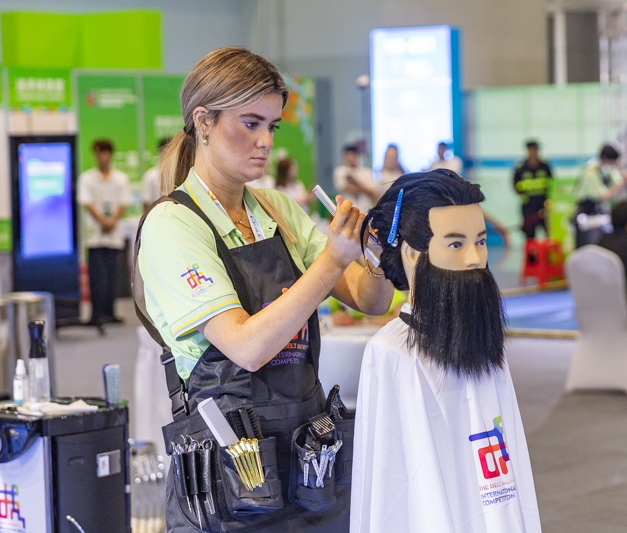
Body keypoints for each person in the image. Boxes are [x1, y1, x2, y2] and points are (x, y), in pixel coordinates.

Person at [134, 47, 393, 532]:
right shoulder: (173, 224)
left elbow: (371, 299)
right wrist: (333, 258)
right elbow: (247, 347)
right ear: (204, 121)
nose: (265, 141)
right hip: (231, 479)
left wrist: (372, 254)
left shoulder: (276, 209)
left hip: (309, 463)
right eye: (250, 123)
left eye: (272, 126)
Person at [351, 170, 542, 533]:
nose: (475, 258)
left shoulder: (485, 344)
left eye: (481, 242)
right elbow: (395, 490)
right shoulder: (392, 355)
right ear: (411, 255)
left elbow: (508, 464)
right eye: (456, 244)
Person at [78, 138, 133, 325]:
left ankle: (111, 312)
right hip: (96, 233)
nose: (100, 156)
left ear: (110, 154)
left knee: (112, 274)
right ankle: (96, 314)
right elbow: (86, 203)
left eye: (104, 152)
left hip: (114, 231)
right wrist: (102, 220)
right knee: (96, 275)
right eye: (97, 152)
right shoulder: (87, 178)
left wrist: (112, 221)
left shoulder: (121, 178)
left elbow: (124, 203)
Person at [574, 144, 627, 248]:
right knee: (591, 247)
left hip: (599, 214)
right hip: (588, 216)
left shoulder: (607, 170)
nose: (614, 165)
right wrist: (622, 184)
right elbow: (603, 196)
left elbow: (617, 182)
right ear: (605, 159)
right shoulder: (590, 172)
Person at [513, 140, 553, 238]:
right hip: (528, 207)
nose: (533, 152)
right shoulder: (520, 168)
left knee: (549, 233)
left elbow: (552, 184)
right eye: (531, 150)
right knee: (529, 235)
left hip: (543, 206)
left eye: (535, 150)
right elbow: (515, 186)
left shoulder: (545, 167)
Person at [333, 144, 376, 212]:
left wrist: (355, 182)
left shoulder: (367, 171)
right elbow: (348, 189)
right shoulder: (340, 171)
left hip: (365, 209)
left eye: (352, 155)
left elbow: (372, 191)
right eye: (348, 155)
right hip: (348, 209)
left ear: (357, 155)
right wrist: (364, 188)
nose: (350, 157)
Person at [141, 137, 172, 211]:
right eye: (165, 151)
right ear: (159, 152)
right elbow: (146, 201)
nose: (167, 154)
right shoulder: (150, 175)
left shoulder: (180, 174)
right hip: (156, 215)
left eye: (171, 151)